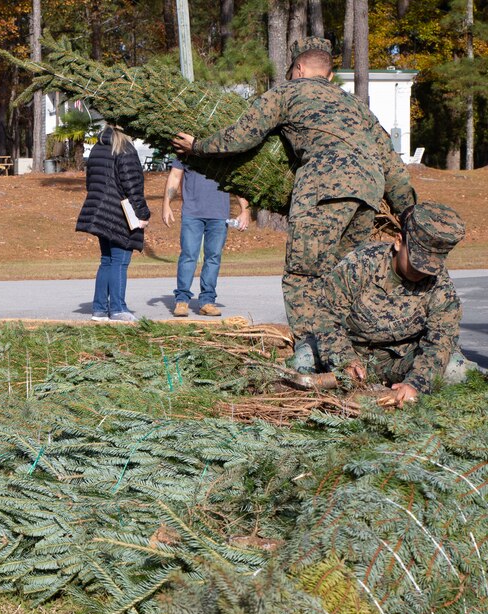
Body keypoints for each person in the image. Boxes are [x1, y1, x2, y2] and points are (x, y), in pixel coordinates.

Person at [169, 37, 416, 368]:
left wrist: (198, 146)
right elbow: (393, 165)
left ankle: (309, 353)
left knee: (302, 275)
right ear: (329, 76)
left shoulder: (287, 92)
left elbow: (243, 134)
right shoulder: (357, 106)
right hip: (368, 196)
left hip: (323, 188)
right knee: (343, 276)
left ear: (299, 68)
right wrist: (410, 215)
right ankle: (349, 353)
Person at [315, 202, 467, 408]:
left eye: (430, 267)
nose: (422, 272)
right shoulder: (360, 265)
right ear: (398, 242)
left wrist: (417, 383)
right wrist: (344, 361)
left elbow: (440, 341)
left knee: (456, 370)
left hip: (399, 360)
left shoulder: (440, 284)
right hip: (352, 353)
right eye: (417, 261)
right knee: (303, 363)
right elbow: (326, 317)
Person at [76, 123, 151, 322]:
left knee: (107, 260)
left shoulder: (98, 147)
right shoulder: (125, 149)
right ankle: (118, 308)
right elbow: (132, 185)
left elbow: (90, 182)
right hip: (119, 212)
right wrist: (143, 214)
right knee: (120, 260)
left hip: (99, 210)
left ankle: (99, 309)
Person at [162, 158, 251, 317]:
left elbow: (236, 182)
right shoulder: (185, 150)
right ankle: (182, 300)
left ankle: (207, 301)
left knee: (213, 257)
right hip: (192, 214)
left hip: (218, 215)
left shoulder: (226, 151)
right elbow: (175, 176)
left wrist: (245, 210)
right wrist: (166, 204)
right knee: (188, 255)